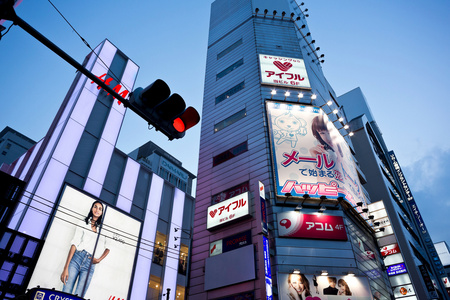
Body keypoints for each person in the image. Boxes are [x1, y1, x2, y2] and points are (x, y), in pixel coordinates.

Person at [60, 201, 110, 297]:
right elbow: (74, 244)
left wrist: (99, 260)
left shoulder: (103, 229)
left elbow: (109, 247)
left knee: (79, 296)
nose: (97, 210)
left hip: (89, 264)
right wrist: (65, 268)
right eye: (95, 207)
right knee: (66, 292)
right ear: (92, 209)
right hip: (76, 259)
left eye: (100, 209)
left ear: (102, 212)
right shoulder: (83, 222)